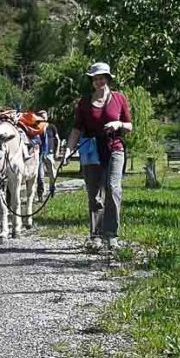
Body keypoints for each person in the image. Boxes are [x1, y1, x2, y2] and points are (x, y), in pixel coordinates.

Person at [59, 62, 132, 250]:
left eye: (102, 78)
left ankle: (111, 234)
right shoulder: (84, 103)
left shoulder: (119, 98)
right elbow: (76, 129)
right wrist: (68, 150)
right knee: (95, 193)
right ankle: (96, 236)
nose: (99, 81)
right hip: (92, 149)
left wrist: (118, 124)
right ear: (92, 81)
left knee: (113, 189)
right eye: (96, 78)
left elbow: (129, 125)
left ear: (108, 79)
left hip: (114, 147)